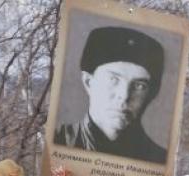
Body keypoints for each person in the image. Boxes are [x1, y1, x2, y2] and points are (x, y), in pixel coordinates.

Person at [54, 26, 167, 164]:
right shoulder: (57, 143)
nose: (124, 95)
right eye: (114, 79)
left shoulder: (159, 161)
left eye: (139, 86)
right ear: (89, 82)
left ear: (151, 94)